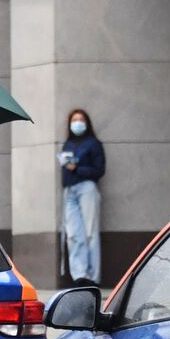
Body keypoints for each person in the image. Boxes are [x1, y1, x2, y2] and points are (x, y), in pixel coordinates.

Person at [58, 108, 105, 288]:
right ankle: (79, 275)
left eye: (81, 119)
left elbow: (99, 170)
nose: (77, 123)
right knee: (74, 234)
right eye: (74, 120)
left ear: (87, 123)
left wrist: (77, 169)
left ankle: (92, 276)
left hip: (87, 187)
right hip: (70, 190)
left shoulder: (93, 144)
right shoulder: (67, 144)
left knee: (90, 232)